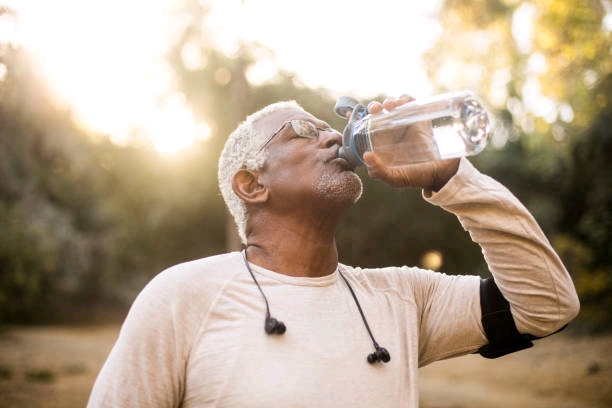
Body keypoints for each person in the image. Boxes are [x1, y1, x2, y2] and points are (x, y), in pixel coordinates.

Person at [87, 96, 580, 407]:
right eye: (302, 131)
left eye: (328, 126)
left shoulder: (403, 297)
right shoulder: (182, 295)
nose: (329, 134)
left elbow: (547, 305)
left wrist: (452, 179)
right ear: (252, 184)